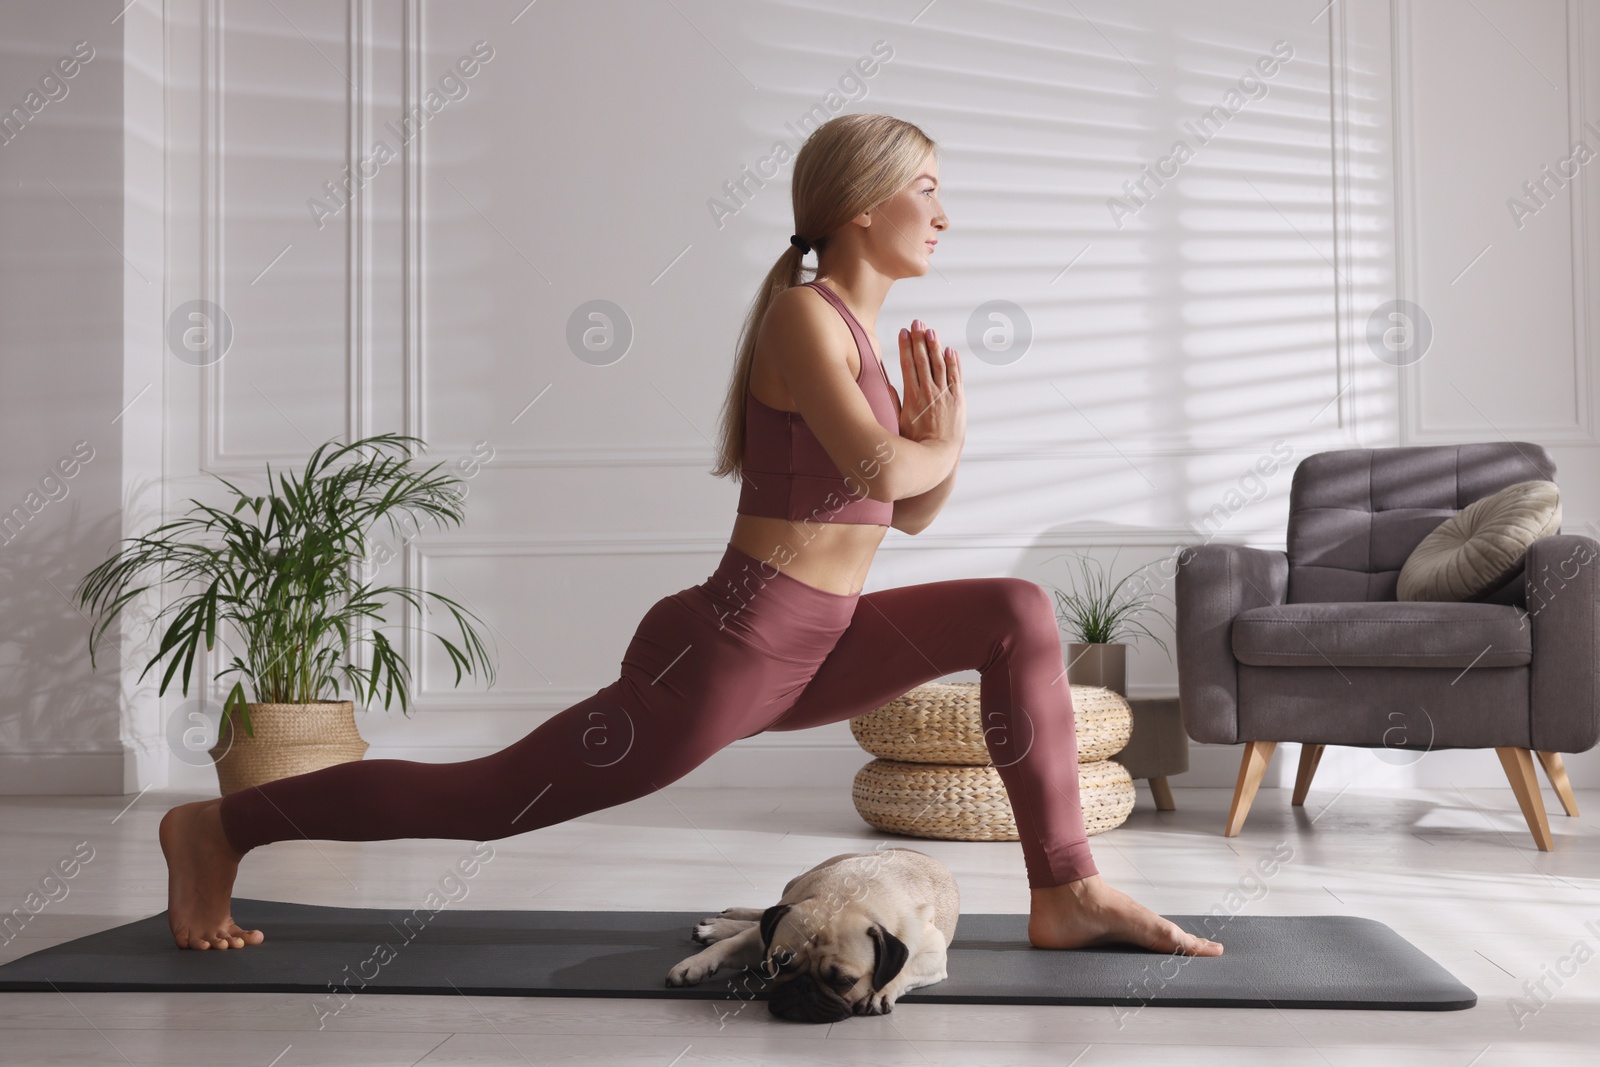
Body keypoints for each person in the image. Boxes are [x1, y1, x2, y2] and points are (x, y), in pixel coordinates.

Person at [159, 112, 1222, 959]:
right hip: (731, 647)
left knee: (1014, 611)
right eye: (927, 186)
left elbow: (903, 507)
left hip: (819, 636)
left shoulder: (859, 336)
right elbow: (882, 470)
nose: (945, 212)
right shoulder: (804, 314)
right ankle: (221, 827)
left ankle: (1065, 886)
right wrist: (931, 445)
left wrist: (946, 436)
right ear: (859, 205)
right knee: (483, 799)